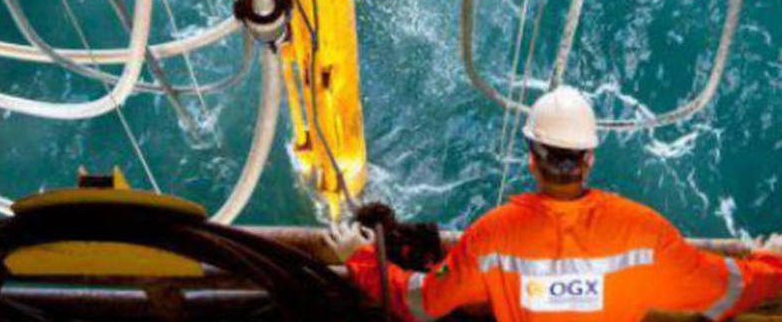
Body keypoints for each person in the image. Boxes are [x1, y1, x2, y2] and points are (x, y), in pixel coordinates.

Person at [326, 86, 782, 321]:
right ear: (589, 159)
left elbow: (421, 303)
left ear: (531, 160)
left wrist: (362, 259)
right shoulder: (643, 234)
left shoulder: (493, 236)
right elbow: (729, 289)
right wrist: (772, 263)